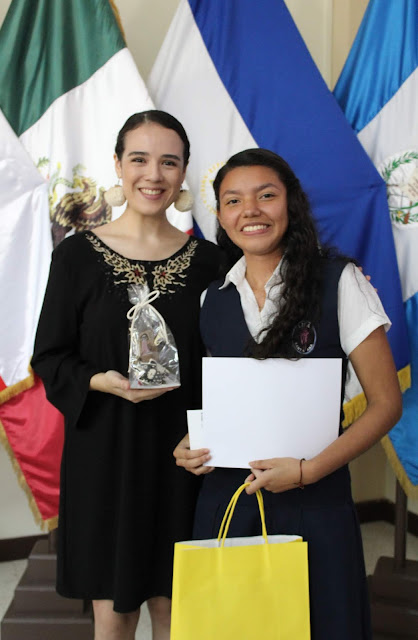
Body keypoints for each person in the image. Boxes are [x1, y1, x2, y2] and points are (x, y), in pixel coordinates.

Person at [173, 148, 402, 639]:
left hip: (315, 501)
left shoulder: (339, 282)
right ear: (220, 216)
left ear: (291, 204)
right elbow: (226, 403)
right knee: (234, 627)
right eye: (233, 200)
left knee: (321, 624)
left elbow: (386, 404)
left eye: (266, 195)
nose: (250, 210)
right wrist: (191, 445)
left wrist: (307, 471)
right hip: (227, 501)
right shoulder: (212, 299)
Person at [31, 110, 221, 640]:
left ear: (183, 173)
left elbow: (231, 358)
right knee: (114, 615)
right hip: (105, 454)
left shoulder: (211, 262)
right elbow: (50, 356)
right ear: (117, 165)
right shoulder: (75, 257)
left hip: (188, 455)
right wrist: (103, 382)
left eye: (168, 162)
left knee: (178, 610)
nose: (153, 175)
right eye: (139, 159)